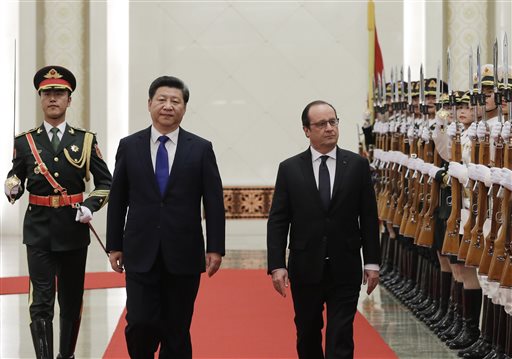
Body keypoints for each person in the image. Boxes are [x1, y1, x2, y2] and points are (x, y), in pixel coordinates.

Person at [106, 76, 225, 359]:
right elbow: (118, 198)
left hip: (183, 251)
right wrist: (114, 244)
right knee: (140, 322)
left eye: (176, 101)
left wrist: (216, 247)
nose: (168, 106)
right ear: (149, 104)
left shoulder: (200, 148)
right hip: (140, 249)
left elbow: (214, 202)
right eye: (162, 99)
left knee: (177, 327)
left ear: (184, 108)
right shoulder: (129, 145)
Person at [4, 65, 112, 359]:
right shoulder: (24, 142)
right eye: (48, 93)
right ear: (40, 99)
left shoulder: (85, 140)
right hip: (38, 229)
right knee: (40, 301)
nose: (53, 98)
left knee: (71, 298)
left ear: (69, 100)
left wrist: (90, 206)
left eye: (60, 93)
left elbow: (105, 183)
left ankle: (67, 356)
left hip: (73, 229)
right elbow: (16, 179)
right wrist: (11, 186)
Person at [267, 100, 381, 359]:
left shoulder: (357, 165)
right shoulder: (290, 169)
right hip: (305, 264)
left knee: (341, 333)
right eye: (321, 124)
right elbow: (278, 220)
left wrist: (372, 261)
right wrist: (277, 264)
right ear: (307, 130)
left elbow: (369, 215)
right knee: (307, 332)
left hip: (346, 263)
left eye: (333, 122)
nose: (329, 128)